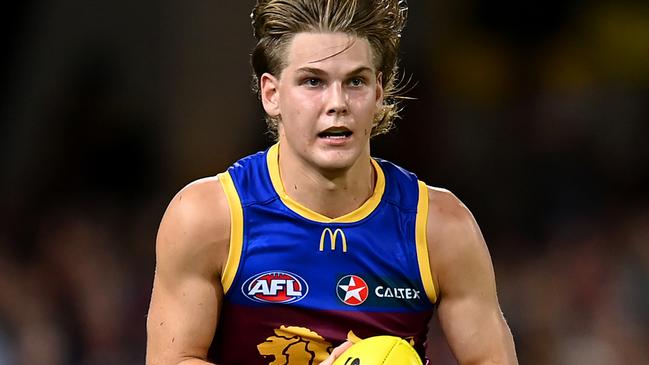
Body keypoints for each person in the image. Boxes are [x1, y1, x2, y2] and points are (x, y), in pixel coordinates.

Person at [146, 0, 518, 364]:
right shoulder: (208, 217)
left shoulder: (439, 227)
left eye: (355, 81)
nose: (337, 103)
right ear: (271, 94)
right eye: (313, 82)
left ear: (378, 92)